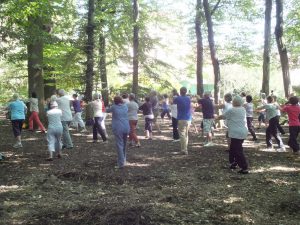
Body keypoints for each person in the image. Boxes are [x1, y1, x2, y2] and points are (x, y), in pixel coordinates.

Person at [219, 96, 249, 174]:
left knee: (238, 150)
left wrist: (215, 118)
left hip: (236, 133)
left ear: (234, 102)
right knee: (233, 148)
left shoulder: (232, 110)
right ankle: (233, 163)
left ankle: (244, 167)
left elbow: (223, 116)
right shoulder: (243, 109)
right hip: (242, 131)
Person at [106, 96, 130, 169]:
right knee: (124, 144)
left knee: (119, 145)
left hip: (118, 128)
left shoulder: (114, 107)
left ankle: (121, 163)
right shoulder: (125, 106)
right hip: (126, 127)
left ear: (115, 101)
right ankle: (123, 159)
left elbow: (107, 110)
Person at [173, 87, 192, 155]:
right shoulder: (189, 99)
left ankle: (184, 150)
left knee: (182, 134)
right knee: (186, 134)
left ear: (180, 91)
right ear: (186, 92)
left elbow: (174, 108)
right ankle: (184, 148)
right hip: (188, 118)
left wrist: (174, 117)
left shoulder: (177, 99)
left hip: (181, 118)